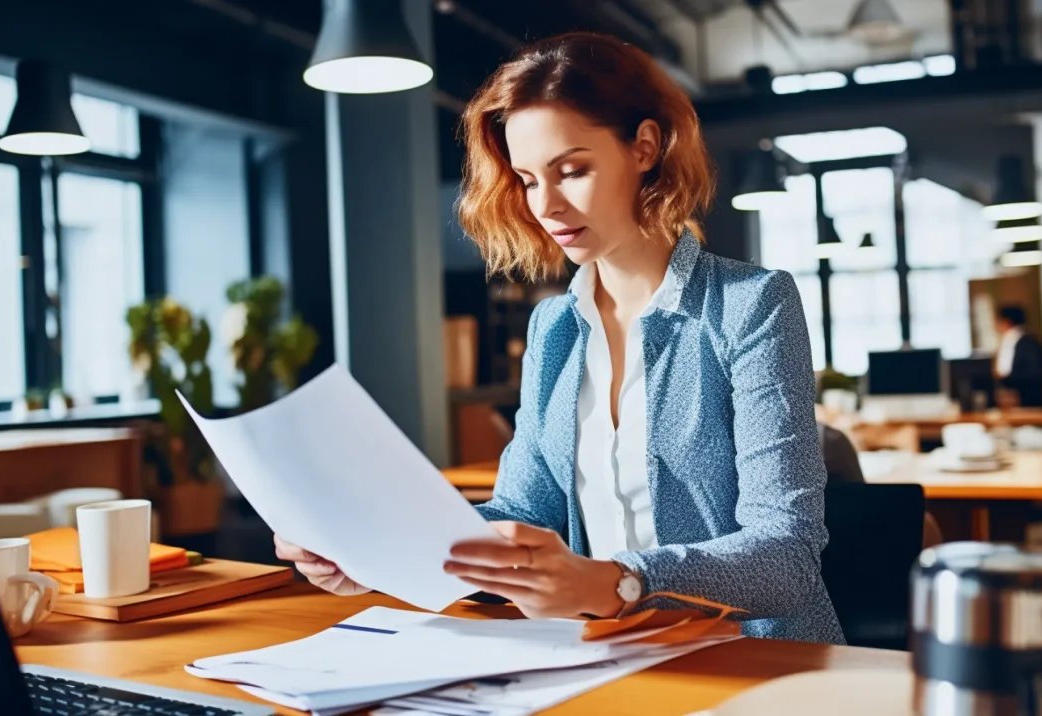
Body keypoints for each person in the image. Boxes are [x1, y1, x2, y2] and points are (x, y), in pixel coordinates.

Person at [275, 32, 843, 644]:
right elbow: (520, 517)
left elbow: (786, 554)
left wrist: (617, 582)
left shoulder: (749, 305)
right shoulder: (553, 329)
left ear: (645, 147)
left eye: (572, 170)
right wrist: (375, 546)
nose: (546, 205)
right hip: (608, 656)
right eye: (527, 179)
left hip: (758, 661)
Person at [994, 305, 1042, 408]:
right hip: (1019, 394)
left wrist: (1008, 382)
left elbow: (1033, 373)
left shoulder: (1022, 341)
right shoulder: (1014, 339)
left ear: (1007, 322)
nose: (995, 325)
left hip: (1027, 398)